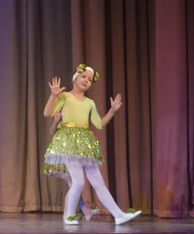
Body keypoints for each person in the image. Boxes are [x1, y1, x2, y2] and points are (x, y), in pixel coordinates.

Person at [43, 64, 141, 225]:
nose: (86, 81)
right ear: (75, 78)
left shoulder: (90, 102)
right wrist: (53, 96)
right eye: (83, 77)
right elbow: (47, 113)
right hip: (69, 142)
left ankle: (118, 215)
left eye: (89, 80)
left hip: (85, 142)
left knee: (98, 182)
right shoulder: (65, 97)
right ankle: (69, 216)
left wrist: (112, 111)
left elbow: (99, 123)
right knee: (79, 182)